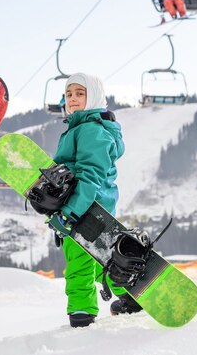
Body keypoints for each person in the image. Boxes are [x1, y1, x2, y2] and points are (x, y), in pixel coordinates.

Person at [52, 72, 129, 328]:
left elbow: (90, 176)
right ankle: (128, 297)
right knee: (99, 258)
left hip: (86, 208)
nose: (72, 99)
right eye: (69, 94)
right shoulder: (84, 128)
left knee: (79, 263)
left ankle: (81, 316)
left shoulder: (89, 130)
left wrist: (70, 213)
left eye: (80, 93)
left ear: (94, 96)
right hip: (93, 206)